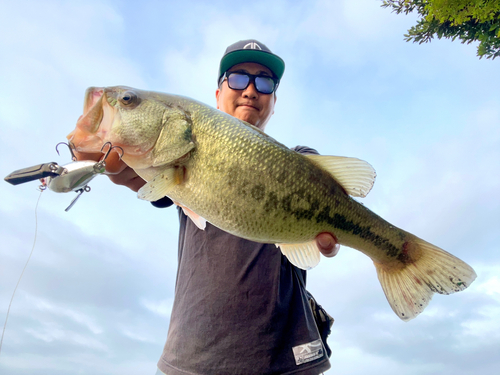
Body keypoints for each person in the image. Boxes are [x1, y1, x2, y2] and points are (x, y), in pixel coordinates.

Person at [78, 39, 339, 375]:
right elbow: (133, 177)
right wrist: (107, 157)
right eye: (238, 77)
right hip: (191, 359)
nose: (250, 90)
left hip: (287, 359)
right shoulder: (173, 166)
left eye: (264, 82)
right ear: (217, 95)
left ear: (273, 102)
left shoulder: (301, 158)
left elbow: (325, 194)